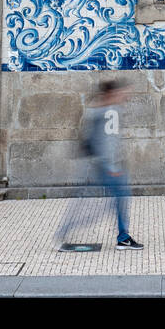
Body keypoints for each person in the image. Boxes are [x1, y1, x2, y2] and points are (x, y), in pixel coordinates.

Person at [54, 78, 144, 251]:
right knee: (98, 208)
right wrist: (113, 167)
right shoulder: (112, 112)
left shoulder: (95, 110)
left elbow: (91, 137)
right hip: (106, 166)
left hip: (95, 164)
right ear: (112, 94)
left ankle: (123, 237)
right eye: (121, 93)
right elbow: (109, 142)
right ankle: (63, 234)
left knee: (112, 200)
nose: (125, 96)